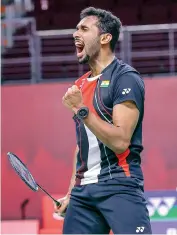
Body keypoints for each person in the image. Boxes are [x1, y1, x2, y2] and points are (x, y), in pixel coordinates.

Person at [54, 7, 152, 234]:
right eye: (76, 28)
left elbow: (120, 141)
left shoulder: (125, 78)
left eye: (84, 29)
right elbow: (83, 147)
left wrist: (81, 108)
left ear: (105, 38)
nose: (75, 33)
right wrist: (71, 192)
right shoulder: (79, 85)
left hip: (119, 185)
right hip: (82, 196)